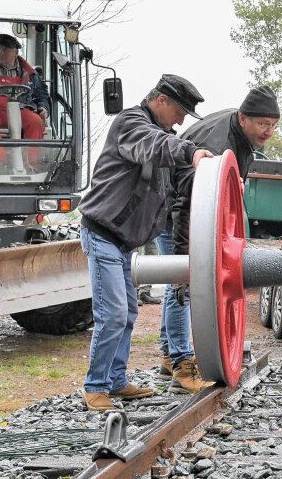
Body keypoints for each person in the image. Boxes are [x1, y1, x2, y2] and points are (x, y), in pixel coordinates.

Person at [77, 74, 214, 411]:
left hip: (124, 241)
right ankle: (95, 387)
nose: (182, 120)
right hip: (103, 232)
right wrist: (191, 151)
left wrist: (217, 175)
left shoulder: (163, 136)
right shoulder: (132, 124)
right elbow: (154, 145)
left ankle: (117, 381)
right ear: (161, 101)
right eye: (180, 111)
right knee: (113, 313)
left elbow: (182, 179)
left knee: (127, 311)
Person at [164, 85, 280, 391]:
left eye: (273, 126)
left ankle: (169, 353)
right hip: (172, 210)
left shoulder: (240, 136)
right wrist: (183, 259)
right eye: (263, 125)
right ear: (243, 119)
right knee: (184, 283)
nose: (268, 132)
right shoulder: (216, 144)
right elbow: (186, 204)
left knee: (182, 283)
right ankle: (180, 362)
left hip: (189, 208)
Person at [0, 33, 49, 149]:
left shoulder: (30, 73)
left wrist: (44, 107)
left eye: (5, 50)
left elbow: (42, 95)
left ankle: (32, 163)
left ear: (16, 53)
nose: (0, 52)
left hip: (21, 109)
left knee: (35, 121)